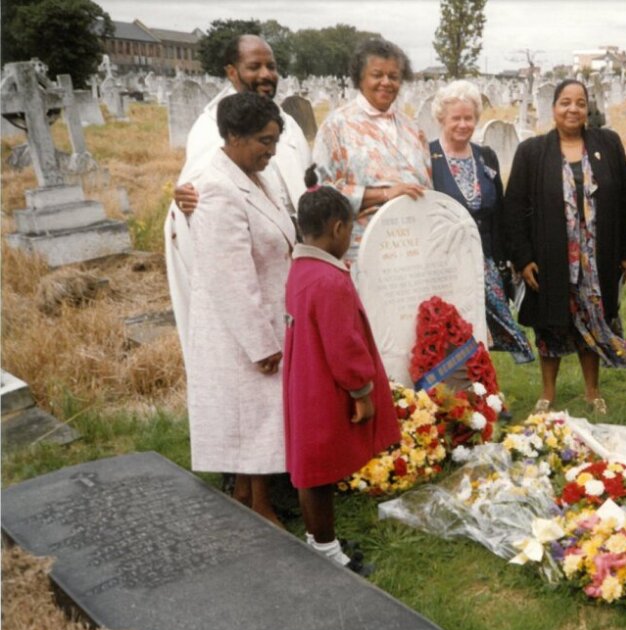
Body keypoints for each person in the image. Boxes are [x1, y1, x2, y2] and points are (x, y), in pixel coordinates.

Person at [185, 92, 296, 525]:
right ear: (233, 135)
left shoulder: (252, 176)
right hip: (241, 324)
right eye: (263, 141)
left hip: (268, 312)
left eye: (274, 142)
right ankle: (258, 507)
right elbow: (229, 275)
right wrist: (260, 342)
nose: (270, 151)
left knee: (262, 419)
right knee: (250, 418)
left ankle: (253, 498)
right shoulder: (217, 188)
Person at [283, 167, 400, 573]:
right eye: (349, 231)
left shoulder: (301, 269)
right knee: (318, 473)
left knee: (311, 467)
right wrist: (361, 391)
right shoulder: (330, 281)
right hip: (326, 389)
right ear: (337, 229)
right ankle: (328, 553)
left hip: (306, 382)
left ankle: (318, 539)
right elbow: (344, 345)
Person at [165, 34, 310, 361]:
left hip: (289, 261)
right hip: (249, 272)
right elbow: (201, 198)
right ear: (231, 71)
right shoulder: (210, 128)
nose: (265, 74)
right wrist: (185, 204)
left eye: (271, 66)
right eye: (254, 66)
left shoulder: (287, 123)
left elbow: (303, 182)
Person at [505, 79, 626, 415]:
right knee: (550, 323)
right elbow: (513, 209)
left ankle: (592, 392)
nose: (573, 109)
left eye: (580, 102)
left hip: (597, 257)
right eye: (565, 102)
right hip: (550, 257)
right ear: (553, 108)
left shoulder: (607, 144)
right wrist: (523, 259)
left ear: (587, 109)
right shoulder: (532, 152)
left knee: (593, 319)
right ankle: (547, 392)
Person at [429, 80, 533, 364]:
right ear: (441, 118)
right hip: (445, 262)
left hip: (486, 259)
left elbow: (500, 210)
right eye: (456, 118)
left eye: (469, 118)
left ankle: (486, 391)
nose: (463, 124)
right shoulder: (428, 157)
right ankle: (455, 394)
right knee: (451, 328)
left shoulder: (485, 156)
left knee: (484, 328)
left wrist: (506, 259)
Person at [312, 37, 430, 263]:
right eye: (377, 75)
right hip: (362, 253)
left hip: (414, 252)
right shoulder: (336, 126)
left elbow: (426, 187)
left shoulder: (413, 129)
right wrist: (384, 194)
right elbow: (319, 194)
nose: (386, 82)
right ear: (360, 78)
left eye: (393, 76)